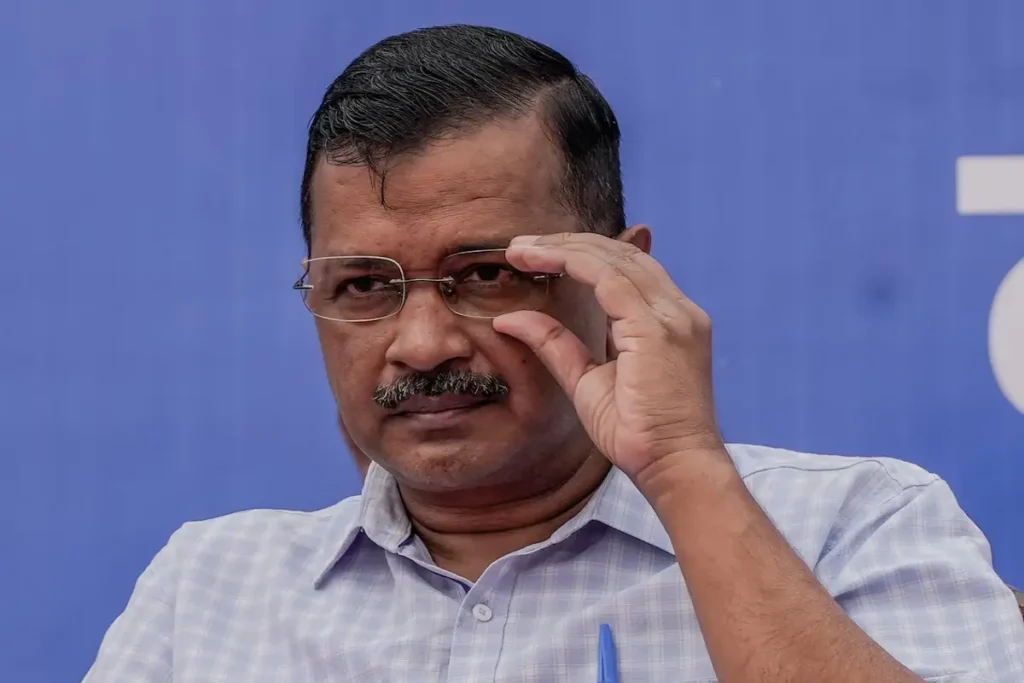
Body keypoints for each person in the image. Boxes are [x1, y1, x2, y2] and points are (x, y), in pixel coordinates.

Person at [84, 24, 1024, 683]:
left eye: (486, 274)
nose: (421, 343)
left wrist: (683, 468)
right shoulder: (213, 585)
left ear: (622, 279)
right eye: (365, 285)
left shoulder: (853, 524)